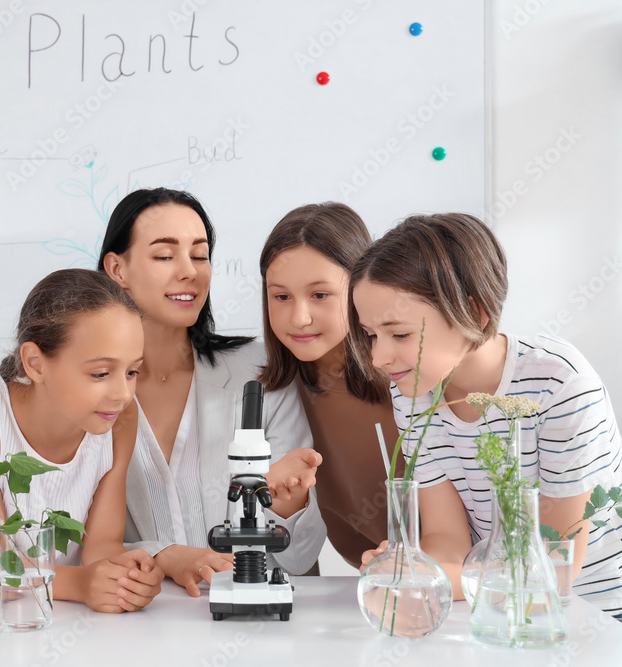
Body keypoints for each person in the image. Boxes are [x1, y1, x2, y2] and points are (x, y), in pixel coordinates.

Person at [350, 213, 622, 617]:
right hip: (495, 609)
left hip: (593, 616)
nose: (378, 357)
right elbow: (447, 537)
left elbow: (556, 565)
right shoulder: (412, 391)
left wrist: (430, 580)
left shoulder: (559, 383)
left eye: (400, 334)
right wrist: (411, 568)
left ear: (474, 314)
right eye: (371, 335)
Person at [98, 188, 324, 597]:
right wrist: (164, 554)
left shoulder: (263, 373)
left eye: (199, 255)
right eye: (165, 256)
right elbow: (73, 538)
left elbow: (301, 558)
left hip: (256, 617)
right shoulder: (85, 390)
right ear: (117, 268)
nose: (189, 272)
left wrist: (290, 507)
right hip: (139, 621)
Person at [0, 269, 164, 613]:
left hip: (50, 614)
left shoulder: (121, 420)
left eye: (132, 371)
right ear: (35, 363)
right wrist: (79, 583)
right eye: (100, 373)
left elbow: (102, 544)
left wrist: (127, 578)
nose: (123, 394)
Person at [258, 202, 400, 570]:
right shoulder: (282, 397)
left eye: (319, 295)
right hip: (378, 582)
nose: (299, 317)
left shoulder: (405, 376)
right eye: (281, 296)